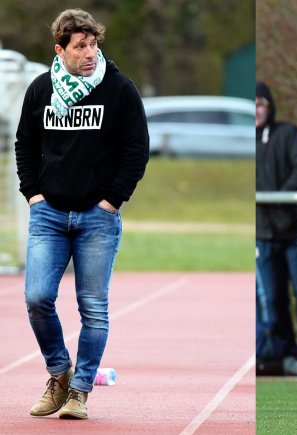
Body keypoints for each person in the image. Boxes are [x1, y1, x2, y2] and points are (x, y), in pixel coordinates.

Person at [14, 9, 149, 419]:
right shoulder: (41, 90)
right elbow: (24, 144)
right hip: (48, 214)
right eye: (80, 47)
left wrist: (112, 200)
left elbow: (136, 149)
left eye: (94, 45)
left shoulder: (119, 89)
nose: (90, 53)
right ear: (61, 49)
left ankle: (80, 391)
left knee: (93, 307)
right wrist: (33, 194)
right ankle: (59, 372)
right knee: (37, 298)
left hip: (97, 217)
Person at [256, 81, 297, 375]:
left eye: (260, 104)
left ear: (269, 106)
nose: (255, 110)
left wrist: (281, 197)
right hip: (262, 237)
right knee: (273, 297)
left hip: (295, 233)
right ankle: (282, 354)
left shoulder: (288, 134)